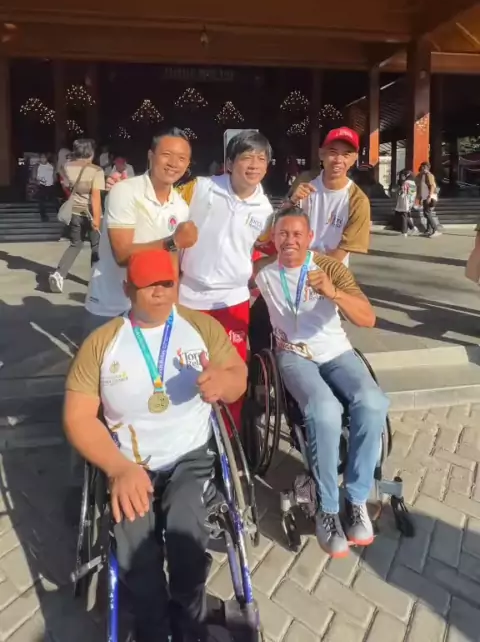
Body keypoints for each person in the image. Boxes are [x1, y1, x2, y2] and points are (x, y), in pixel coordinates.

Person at [64, 248, 247, 642]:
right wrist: (118, 468)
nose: (160, 291)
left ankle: (188, 623)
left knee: (186, 529)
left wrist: (224, 382)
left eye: (167, 283)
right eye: (149, 285)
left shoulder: (201, 327)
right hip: (130, 464)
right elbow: (78, 417)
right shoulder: (102, 343)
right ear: (128, 289)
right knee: (137, 551)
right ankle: (153, 627)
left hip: (191, 459)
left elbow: (237, 374)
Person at [253, 207, 386, 558]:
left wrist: (332, 292)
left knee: (373, 402)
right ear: (273, 238)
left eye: (297, 234)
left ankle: (356, 499)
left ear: (310, 237)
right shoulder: (263, 271)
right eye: (283, 234)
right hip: (293, 355)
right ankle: (327, 508)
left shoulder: (329, 267)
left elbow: (368, 318)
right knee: (324, 410)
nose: (290, 241)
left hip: (337, 352)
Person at [178, 131, 274, 428]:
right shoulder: (200, 188)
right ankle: (191, 432)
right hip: (189, 297)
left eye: (261, 159)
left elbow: (265, 249)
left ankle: (231, 434)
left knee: (232, 372)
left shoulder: (266, 211)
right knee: (185, 370)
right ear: (229, 163)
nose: (254, 165)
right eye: (246, 158)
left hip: (232, 301)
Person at [84, 128, 197, 336]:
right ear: (151, 156)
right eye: (167, 155)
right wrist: (172, 241)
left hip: (152, 308)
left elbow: (172, 260)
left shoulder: (180, 206)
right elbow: (122, 255)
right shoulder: (125, 191)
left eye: (182, 158)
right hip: (112, 303)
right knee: (99, 357)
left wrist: (173, 303)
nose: (174, 163)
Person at [288, 127, 370, 265]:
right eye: (333, 152)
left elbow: (344, 248)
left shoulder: (358, 201)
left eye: (346, 154)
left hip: (331, 272)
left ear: (354, 158)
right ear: (321, 154)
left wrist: (311, 268)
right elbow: (280, 223)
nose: (338, 160)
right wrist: (292, 201)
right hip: (294, 266)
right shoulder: (304, 182)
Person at [49, 139, 105, 294]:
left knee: (75, 244)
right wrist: (97, 218)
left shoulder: (66, 167)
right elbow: (95, 197)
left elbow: (66, 187)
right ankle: (95, 280)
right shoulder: (96, 170)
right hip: (91, 213)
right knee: (96, 246)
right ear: (90, 152)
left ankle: (59, 274)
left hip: (74, 212)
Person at [416, 161, 440, 238]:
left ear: (427, 167)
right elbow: (421, 188)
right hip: (425, 197)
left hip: (430, 197)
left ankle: (435, 229)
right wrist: (420, 198)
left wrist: (429, 196)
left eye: (424, 167)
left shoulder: (429, 175)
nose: (422, 168)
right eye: (422, 166)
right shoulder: (422, 176)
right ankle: (428, 230)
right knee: (426, 213)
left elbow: (432, 185)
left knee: (427, 213)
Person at [395, 169, 418, 236]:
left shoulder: (406, 182)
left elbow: (403, 192)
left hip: (405, 200)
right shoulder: (413, 183)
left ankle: (404, 231)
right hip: (411, 200)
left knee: (404, 215)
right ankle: (412, 228)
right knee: (405, 214)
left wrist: (398, 192)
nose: (403, 177)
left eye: (403, 175)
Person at [35, 153, 55, 222]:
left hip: (50, 185)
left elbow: (54, 175)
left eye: (44, 157)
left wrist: (54, 181)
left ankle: (61, 213)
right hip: (42, 185)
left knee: (54, 200)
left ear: (46, 158)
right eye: (41, 157)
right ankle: (43, 216)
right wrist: (37, 180)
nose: (43, 159)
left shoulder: (51, 166)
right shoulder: (37, 166)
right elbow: (34, 176)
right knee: (41, 201)